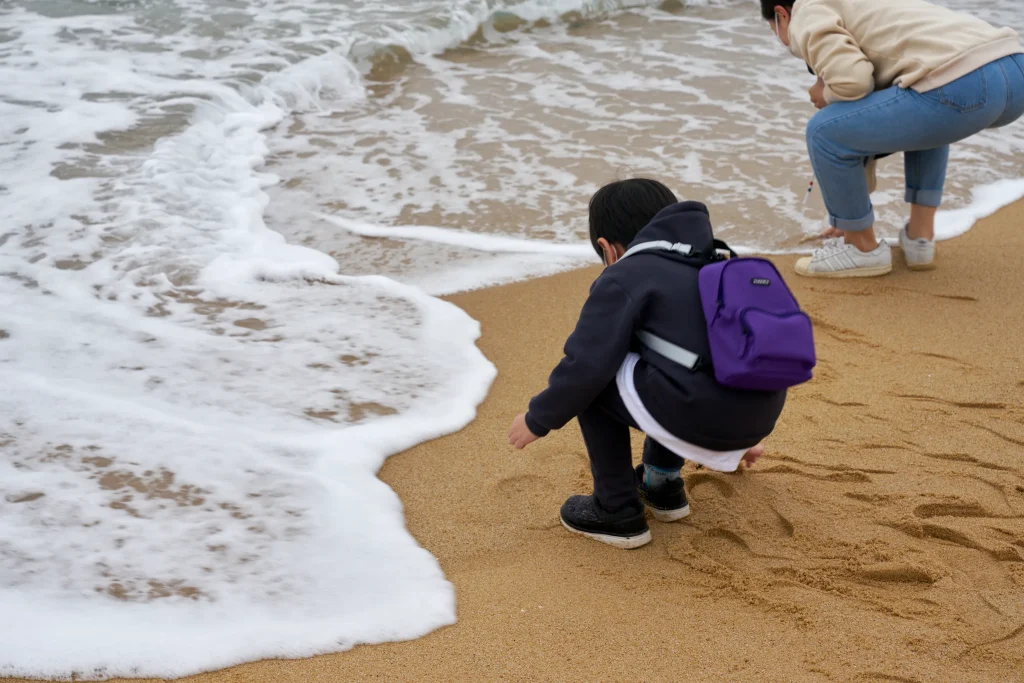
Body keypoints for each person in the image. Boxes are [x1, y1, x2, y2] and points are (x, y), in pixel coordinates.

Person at [506, 179, 786, 549]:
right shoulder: (720, 262)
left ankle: (616, 511)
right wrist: (739, 435)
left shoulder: (626, 274)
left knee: (596, 382)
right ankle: (662, 484)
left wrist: (536, 419)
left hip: (707, 418)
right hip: (756, 416)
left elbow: (585, 366)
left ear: (607, 249)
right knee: (667, 361)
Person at [763, 0, 1024, 277]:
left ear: (781, 14)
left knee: (822, 131)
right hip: (1013, 68)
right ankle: (920, 238)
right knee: (929, 105)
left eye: (773, 29)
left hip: (966, 84)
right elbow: (870, 112)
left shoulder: (806, 7)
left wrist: (826, 94)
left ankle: (861, 248)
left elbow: (853, 81)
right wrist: (847, 212)